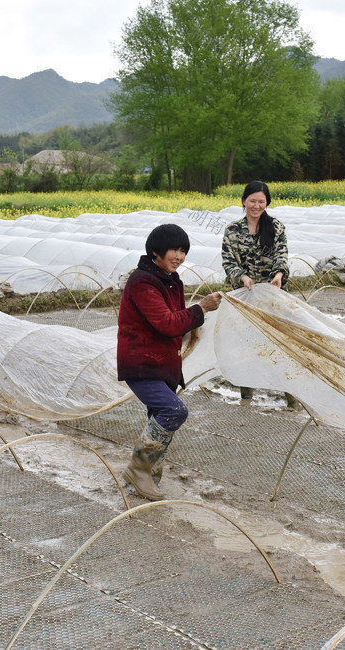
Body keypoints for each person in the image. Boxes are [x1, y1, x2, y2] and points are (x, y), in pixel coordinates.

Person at [117, 224, 222, 500]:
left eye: (183, 250)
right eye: (174, 249)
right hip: (142, 363)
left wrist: (201, 314)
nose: (179, 255)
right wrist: (201, 308)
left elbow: (179, 320)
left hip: (164, 363)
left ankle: (151, 475)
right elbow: (167, 323)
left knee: (158, 417)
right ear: (156, 251)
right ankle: (138, 469)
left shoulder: (172, 280)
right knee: (174, 411)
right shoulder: (142, 281)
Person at [221, 180, 298, 409]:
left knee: (281, 344)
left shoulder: (276, 227)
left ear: (267, 203)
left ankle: (291, 396)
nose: (256, 205)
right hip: (246, 295)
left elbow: (282, 256)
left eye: (261, 201)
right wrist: (243, 277)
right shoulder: (233, 230)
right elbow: (228, 261)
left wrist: (278, 275)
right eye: (252, 201)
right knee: (246, 345)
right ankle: (246, 395)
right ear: (244, 201)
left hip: (273, 295)